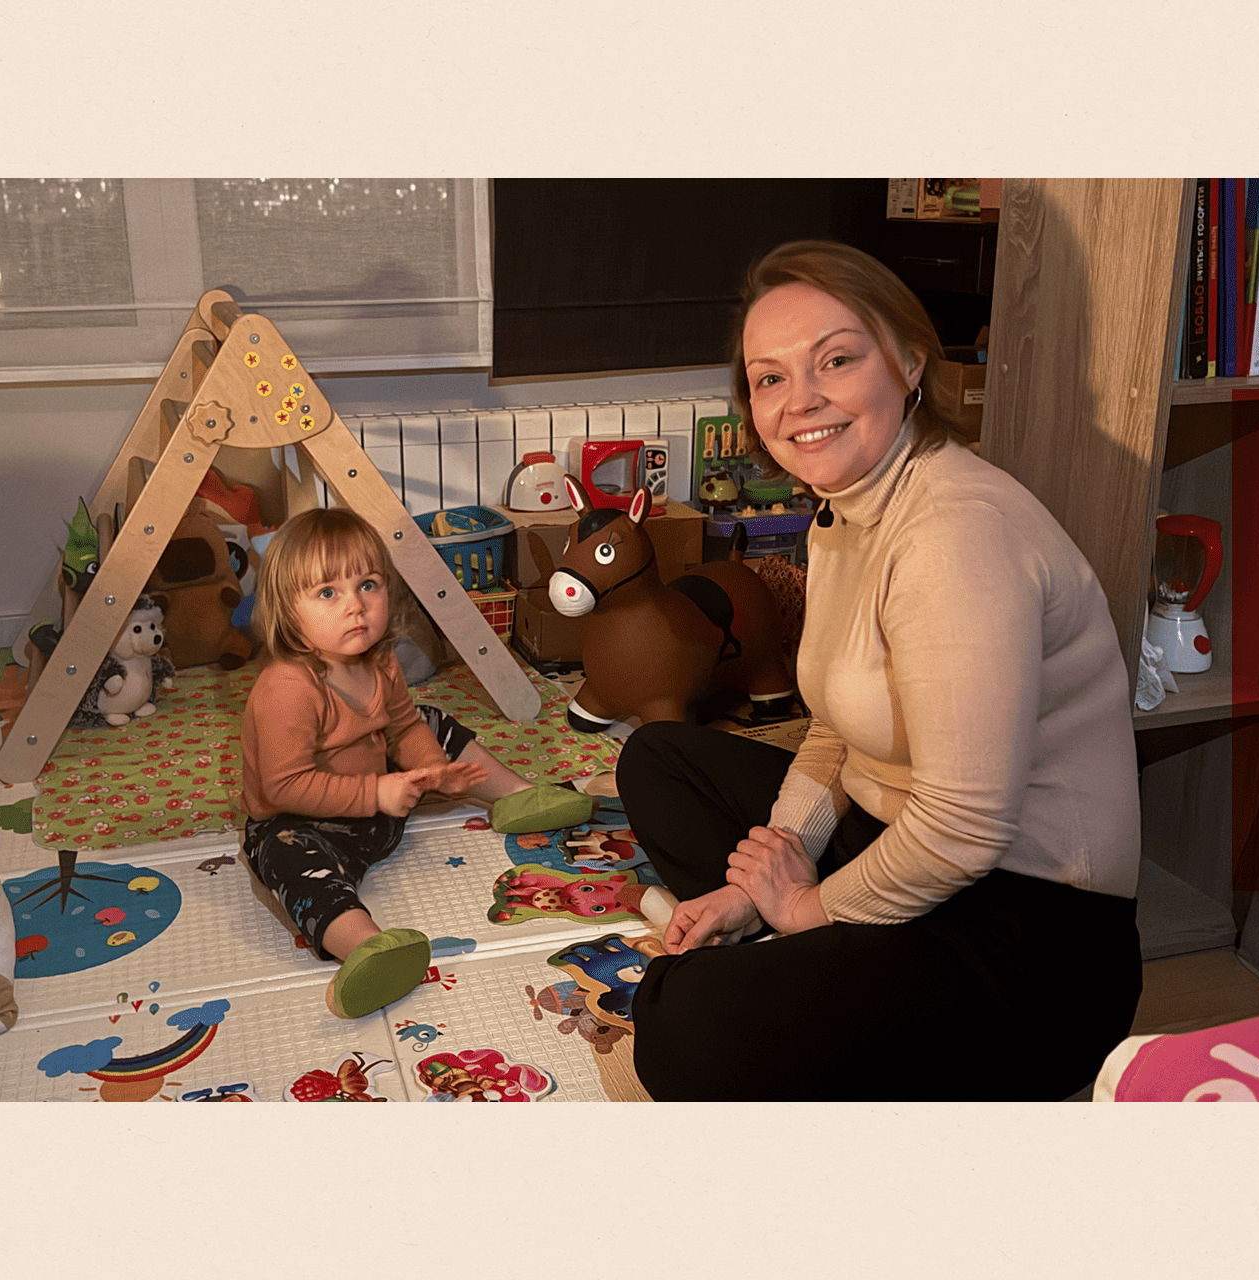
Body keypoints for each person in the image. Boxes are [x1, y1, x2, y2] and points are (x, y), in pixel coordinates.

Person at [618, 241, 1143, 1100]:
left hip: (1026, 933)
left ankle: (815, 954)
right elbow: (835, 723)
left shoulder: (954, 535)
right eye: (770, 377)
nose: (801, 400)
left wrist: (806, 909)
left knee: (680, 1022)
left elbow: (964, 828)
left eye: (836, 359)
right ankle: (807, 948)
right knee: (657, 758)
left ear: (909, 361)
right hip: (894, 837)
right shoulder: (845, 510)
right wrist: (768, 875)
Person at [240, 506, 592, 1019]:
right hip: (306, 822)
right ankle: (365, 946)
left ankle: (515, 796)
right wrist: (376, 793)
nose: (355, 606)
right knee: (285, 856)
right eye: (328, 593)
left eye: (368, 585)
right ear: (287, 609)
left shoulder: (381, 660)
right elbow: (282, 786)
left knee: (429, 720)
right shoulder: (287, 686)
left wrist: (433, 771)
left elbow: (404, 728)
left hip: (382, 805)